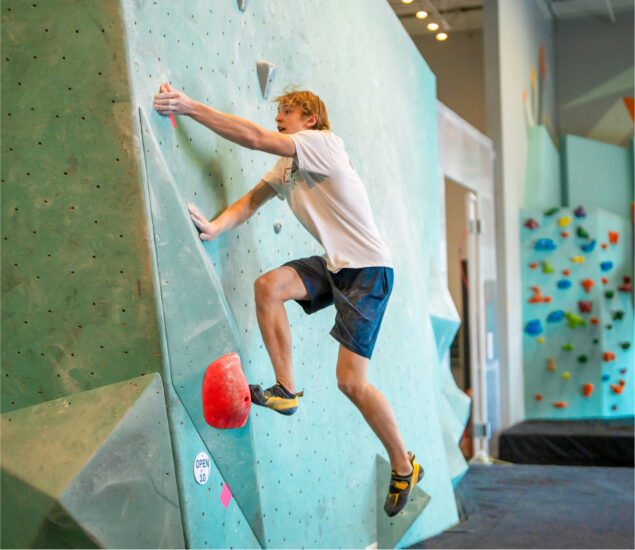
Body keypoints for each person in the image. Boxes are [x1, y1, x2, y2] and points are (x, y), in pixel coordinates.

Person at [153, 84, 423, 516]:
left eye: (287, 112)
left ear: (310, 119)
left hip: (368, 270)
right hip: (336, 265)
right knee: (268, 287)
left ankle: (403, 464)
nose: (279, 118)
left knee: (351, 383)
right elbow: (250, 202)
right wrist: (216, 227)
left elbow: (256, 137)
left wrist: (189, 108)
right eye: (278, 112)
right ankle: (287, 390)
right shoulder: (287, 167)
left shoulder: (323, 145)